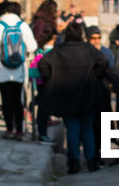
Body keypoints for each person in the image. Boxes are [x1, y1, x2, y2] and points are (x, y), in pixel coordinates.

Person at [38, 20, 109, 173]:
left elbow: (43, 64)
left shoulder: (58, 50)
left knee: (72, 129)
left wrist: (53, 77)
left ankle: (74, 162)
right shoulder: (88, 49)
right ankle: (91, 161)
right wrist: (94, 75)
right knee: (88, 128)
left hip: (67, 95)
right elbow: (104, 60)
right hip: (87, 94)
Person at [0, 1, 38, 141]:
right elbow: (32, 46)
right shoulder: (23, 25)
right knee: (18, 99)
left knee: (6, 99)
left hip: (2, 68)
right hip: (19, 68)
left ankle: (9, 129)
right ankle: (20, 130)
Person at [86, 25, 115, 159]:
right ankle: (94, 153)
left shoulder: (106, 52)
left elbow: (112, 71)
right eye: (93, 38)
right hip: (89, 92)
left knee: (104, 122)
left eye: (98, 38)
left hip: (103, 91)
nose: (96, 41)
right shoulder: (84, 52)